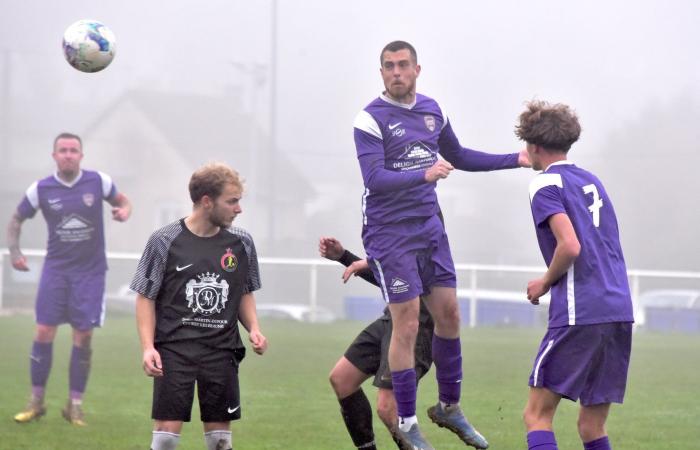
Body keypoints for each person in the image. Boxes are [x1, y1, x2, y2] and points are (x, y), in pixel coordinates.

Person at [353, 40, 529, 449]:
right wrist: (424, 175)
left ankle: (449, 406)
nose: (395, 72)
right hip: (388, 233)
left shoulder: (433, 111)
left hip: (429, 229)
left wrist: (514, 159)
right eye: (387, 66)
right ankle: (409, 420)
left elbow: (460, 155)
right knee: (408, 322)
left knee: (449, 314)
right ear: (381, 73)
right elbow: (374, 179)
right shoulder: (369, 119)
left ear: (417, 69)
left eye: (402, 65)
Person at [515, 101, 634, 450]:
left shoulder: (545, 184)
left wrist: (544, 281)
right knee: (591, 425)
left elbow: (570, 245)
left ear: (534, 146)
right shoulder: (591, 182)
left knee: (537, 414)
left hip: (581, 308)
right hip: (618, 309)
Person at [131, 162, 268, 450]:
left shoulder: (242, 243)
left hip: (221, 351)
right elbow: (146, 296)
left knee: (219, 440)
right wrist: (148, 347)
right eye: (232, 201)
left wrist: (254, 328)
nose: (239, 209)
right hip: (174, 349)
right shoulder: (164, 240)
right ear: (207, 201)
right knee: (166, 437)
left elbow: (243, 291)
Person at [9, 132, 132, 426]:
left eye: (73, 150)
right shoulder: (40, 188)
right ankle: (36, 402)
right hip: (56, 271)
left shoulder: (98, 181)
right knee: (43, 332)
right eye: (62, 150)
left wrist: (124, 210)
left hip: (90, 273)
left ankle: (74, 405)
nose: (68, 154)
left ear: (81, 155)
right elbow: (16, 219)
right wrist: (14, 252)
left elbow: (124, 200)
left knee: (83, 335)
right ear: (54, 156)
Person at [320, 236, 434, 450]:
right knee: (342, 379)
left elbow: (407, 272)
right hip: (390, 318)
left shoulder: (419, 221)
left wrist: (361, 261)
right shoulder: (387, 221)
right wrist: (344, 257)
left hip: (416, 324)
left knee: (388, 407)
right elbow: (387, 275)